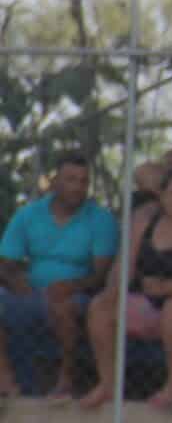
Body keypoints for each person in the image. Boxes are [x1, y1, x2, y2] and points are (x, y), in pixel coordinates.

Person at [77, 167, 172, 412]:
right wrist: (112, 293)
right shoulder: (145, 221)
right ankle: (108, 384)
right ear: (162, 197)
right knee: (100, 307)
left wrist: (165, 287)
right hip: (148, 302)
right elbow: (124, 267)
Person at [0, 153, 119, 400]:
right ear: (54, 182)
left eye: (83, 181)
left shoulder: (101, 219)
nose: (78, 187)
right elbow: (6, 263)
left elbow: (101, 275)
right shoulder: (28, 215)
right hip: (29, 291)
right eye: (70, 179)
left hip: (77, 294)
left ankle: (66, 379)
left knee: (63, 307)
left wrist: (72, 286)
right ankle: (6, 380)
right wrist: (15, 281)